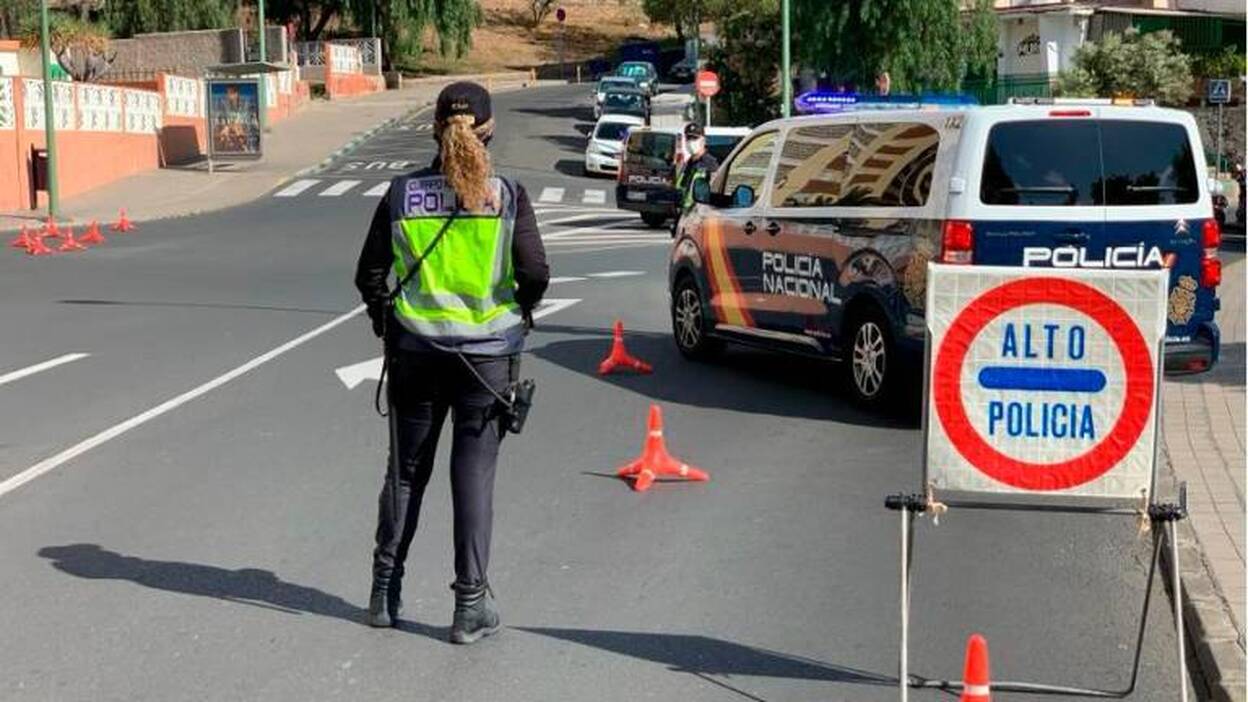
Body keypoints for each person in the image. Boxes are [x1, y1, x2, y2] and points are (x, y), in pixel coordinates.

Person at [353, 81, 549, 644]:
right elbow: (535, 273)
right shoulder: (506, 195)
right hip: (486, 360)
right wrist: (517, 311)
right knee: (474, 474)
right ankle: (468, 608)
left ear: (435, 129)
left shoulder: (402, 193)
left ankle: (383, 594)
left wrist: (386, 323)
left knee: (405, 473)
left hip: (415, 352)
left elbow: (369, 275)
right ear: (488, 132)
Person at [675, 122, 720, 215]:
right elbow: (682, 189)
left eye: (695, 138)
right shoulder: (689, 163)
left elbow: (715, 191)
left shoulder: (710, 164)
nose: (691, 142)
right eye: (688, 138)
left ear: (703, 141)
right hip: (685, 214)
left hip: (699, 215)